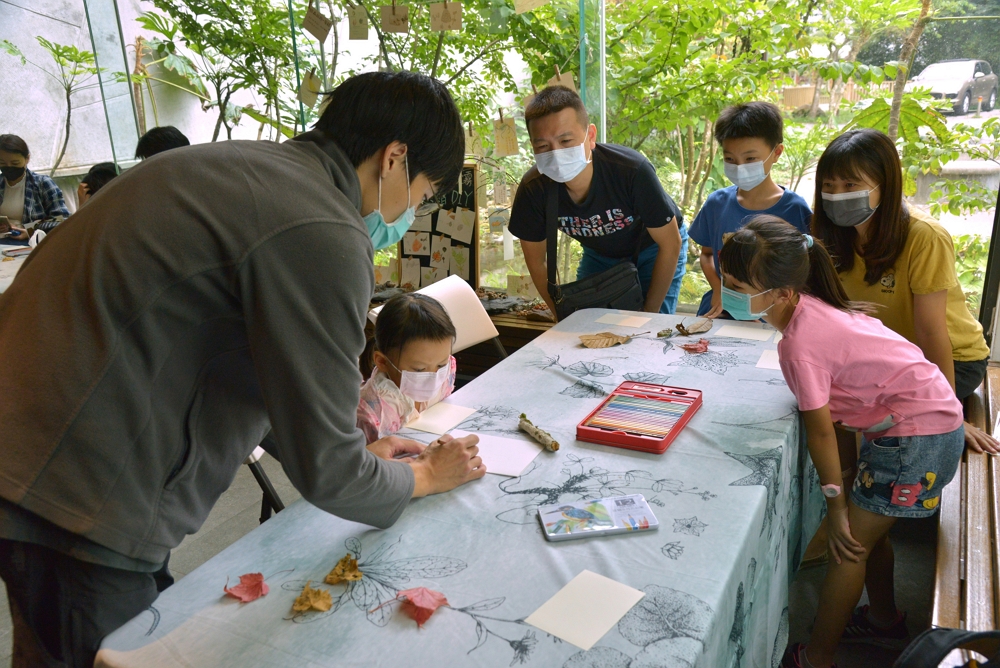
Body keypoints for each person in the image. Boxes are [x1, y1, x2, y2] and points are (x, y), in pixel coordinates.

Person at [0, 70, 484, 667]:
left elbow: (270, 375)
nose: (415, 208)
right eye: (424, 190)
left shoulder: (249, 170)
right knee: (103, 653)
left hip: (44, 445)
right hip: (77, 486)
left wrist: (355, 452)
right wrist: (425, 476)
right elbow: (329, 473)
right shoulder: (323, 226)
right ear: (393, 159)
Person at [717, 217, 964, 668]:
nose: (725, 291)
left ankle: (817, 657)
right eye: (723, 279)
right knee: (870, 531)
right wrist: (847, 484)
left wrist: (834, 508)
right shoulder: (812, 307)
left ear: (783, 293)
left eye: (736, 284)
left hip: (915, 440)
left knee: (848, 545)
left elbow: (822, 429)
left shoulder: (800, 345)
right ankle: (884, 621)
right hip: (923, 423)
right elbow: (838, 412)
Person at [812, 128, 997, 454]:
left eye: (851, 185)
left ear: (886, 185)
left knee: (850, 405)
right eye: (829, 186)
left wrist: (948, 413)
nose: (837, 195)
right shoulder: (831, 235)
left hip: (951, 360)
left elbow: (930, 331)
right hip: (890, 356)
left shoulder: (924, 236)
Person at [508, 86, 687, 317]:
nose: (556, 153)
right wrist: (561, 317)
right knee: (585, 327)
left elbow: (670, 244)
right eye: (543, 147)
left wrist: (648, 315)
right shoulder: (534, 190)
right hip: (599, 254)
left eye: (566, 140)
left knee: (647, 334)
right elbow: (537, 263)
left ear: (590, 136)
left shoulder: (631, 170)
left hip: (652, 248)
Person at [688, 102, 812, 317]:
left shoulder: (796, 210)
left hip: (772, 315)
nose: (739, 167)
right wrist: (719, 290)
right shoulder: (717, 203)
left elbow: (804, 273)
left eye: (750, 159)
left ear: (777, 152)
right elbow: (707, 254)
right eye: (730, 159)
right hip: (721, 308)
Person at [358, 293, 457, 443]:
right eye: (419, 370)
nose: (434, 376)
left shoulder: (446, 371)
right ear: (383, 362)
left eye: (441, 365)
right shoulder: (372, 414)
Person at [0, 134, 70, 240]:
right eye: (2, 163)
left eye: (15, 163)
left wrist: (31, 231)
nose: (9, 167)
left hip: (33, 242)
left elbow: (62, 218)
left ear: (27, 158)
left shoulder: (42, 184)